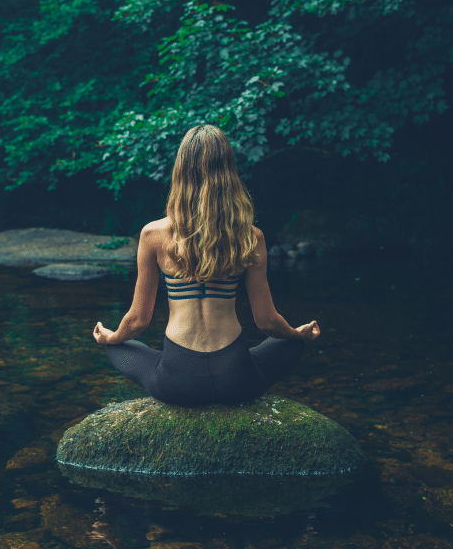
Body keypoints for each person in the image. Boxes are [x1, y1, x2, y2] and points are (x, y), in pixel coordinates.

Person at [92, 124, 320, 406]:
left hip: (176, 382)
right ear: (228, 173)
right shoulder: (250, 236)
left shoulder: (153, 234)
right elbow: (267, 321)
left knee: (121, 347)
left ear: (180, 171)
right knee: (292, 343)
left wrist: (111, 338)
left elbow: (139, 321)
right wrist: (297, 333)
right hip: (235, 379)